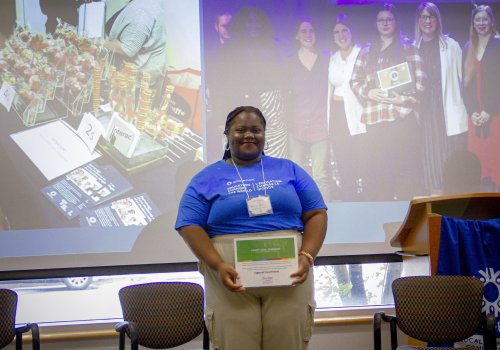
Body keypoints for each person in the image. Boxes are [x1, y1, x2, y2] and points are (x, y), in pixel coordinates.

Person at [175, 106, 327, 350]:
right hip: (230, 278)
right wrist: (217, 264)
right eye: (240, 130)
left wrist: (307, 256)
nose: (249, 135)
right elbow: (189, 224)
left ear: (265, 134)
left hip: (289, 275)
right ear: (227, 134)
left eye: (256, 130)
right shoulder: (206, 177)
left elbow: (317, 213)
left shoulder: (289, 169)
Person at [350, 3, 425, 200]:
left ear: (396, 22)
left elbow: (422, 82)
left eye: (389, 19)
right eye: (381, 20)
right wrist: (369, 92)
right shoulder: (367, 50)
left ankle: (404, 215)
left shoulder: (408, 47)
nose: (385, 23)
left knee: (404, 168)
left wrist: (404, 99)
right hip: (376, 119)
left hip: (400, 118)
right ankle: (384, 215)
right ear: (376, 23)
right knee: (380, 171)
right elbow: (354, 80)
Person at [207, 7, 288, 161]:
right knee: (238, 161)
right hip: (238, 109)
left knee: (274, 159)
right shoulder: (228, 49)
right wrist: (219, 116)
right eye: (249, 21)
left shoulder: (273, 49)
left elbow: (284, 79)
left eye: (258, 22)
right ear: (242, 24)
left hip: (272, 111)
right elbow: (219, 85)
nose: (254, 25)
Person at [414, 2, 468, 196]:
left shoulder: (451, 46)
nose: (427, 21)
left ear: (437, 20)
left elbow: (464, 79)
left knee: (449, 158)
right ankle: (435, 204)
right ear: (418, 21)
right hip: (425, 111)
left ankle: (452, 203)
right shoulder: (412, 49)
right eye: (423, 17)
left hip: (448, 110)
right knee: (430, 159)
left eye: (431, 17)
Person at [287, 18, 332, 202]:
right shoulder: (290, 62)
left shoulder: (326, 60)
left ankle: (329, 219)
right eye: (303, 31)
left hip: (320, 123)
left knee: (321, 175)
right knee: (296, 176)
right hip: (296, 124)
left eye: (311, 31)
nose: (308, 35)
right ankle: (299, 217)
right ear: (297, 35)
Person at [327, 14, 367, 200]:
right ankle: (348, 198)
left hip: (357, 113)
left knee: (359, 156)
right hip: (336, 113)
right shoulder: (332, 58)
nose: (341, 35)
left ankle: (363, 197)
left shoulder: (362, 53)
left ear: (352, 32)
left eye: (344, 30)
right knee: (342, 158)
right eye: (337, 31)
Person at [463, 5, 500, 192]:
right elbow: (465, 85)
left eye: (485, 19)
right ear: (473, 23)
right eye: (478, 20)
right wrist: (473, 112)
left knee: (495, 155)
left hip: (495, 113)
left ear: (492, 21)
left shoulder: (498, 44)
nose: (481, 23)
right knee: (479, 157)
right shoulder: (468, 48)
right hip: (476, 116)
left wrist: (489, 110)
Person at [104, 0, 167, 105]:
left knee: (127, 113)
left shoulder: (142, 11)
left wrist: (99, 41)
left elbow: (127, 49)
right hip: (142, 72)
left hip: (140, 78)